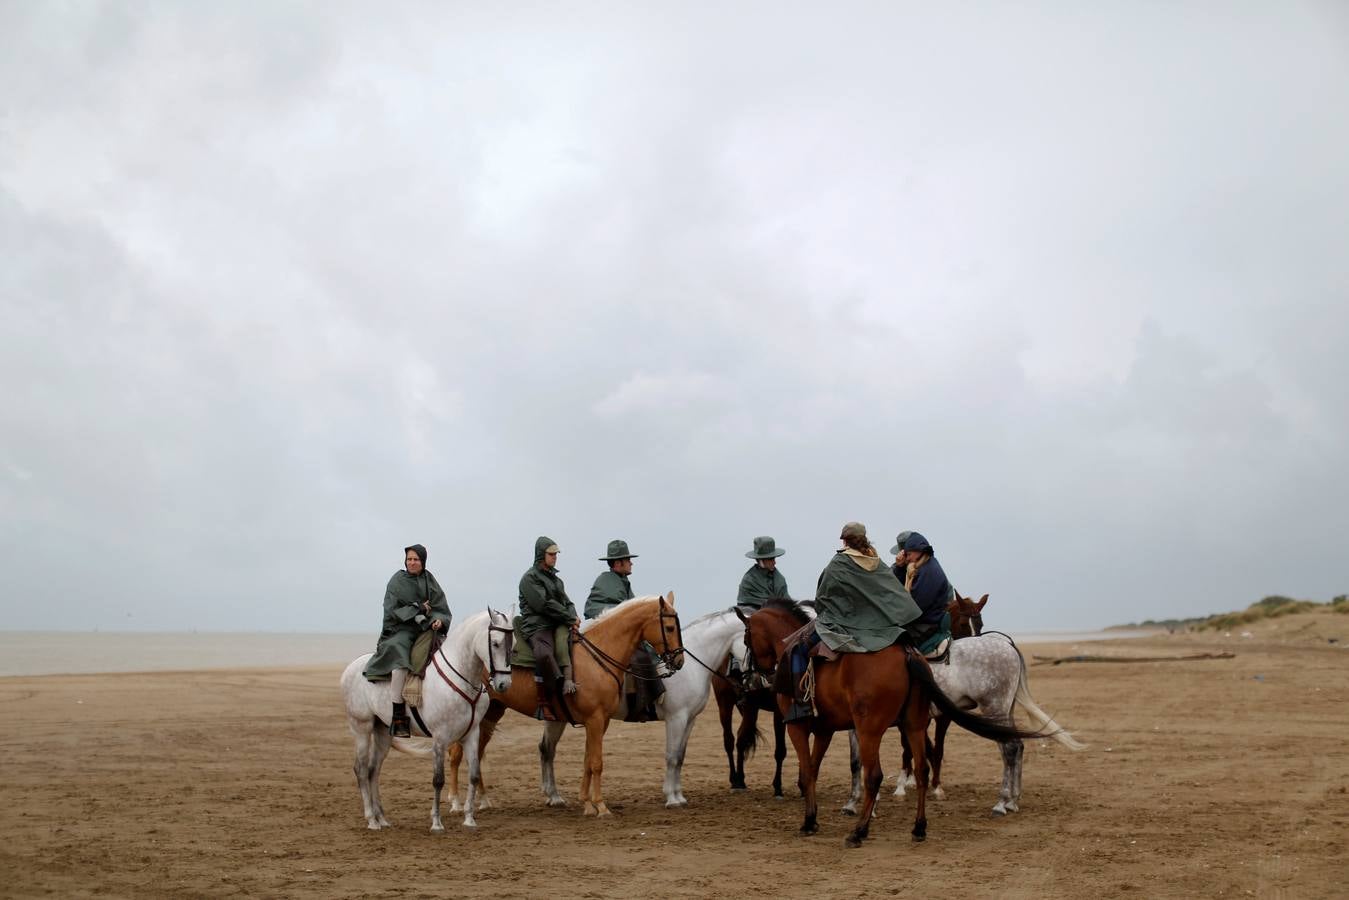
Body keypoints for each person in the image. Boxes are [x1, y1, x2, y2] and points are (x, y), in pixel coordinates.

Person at [363, 543, 452, 738]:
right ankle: (398, 717)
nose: (412, 562)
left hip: (425, 628)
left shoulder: (430, 580)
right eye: (409, 559)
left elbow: (440, 607)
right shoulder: (397, 581)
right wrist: (418, 608)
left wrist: (439, 620)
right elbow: (392, 610)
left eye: (416, 559)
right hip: (399, 630)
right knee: (401, 662)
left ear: (423, 561)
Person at [585, 539, 662, 721]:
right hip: (609, 637)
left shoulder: (623, 581)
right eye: (628, 560)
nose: (631, 563)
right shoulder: (606, 581)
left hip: (624, 635)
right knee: (638, 658)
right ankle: (637, 704)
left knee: (648, 651)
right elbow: (592, 609)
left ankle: (649, 699)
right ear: (618, 563)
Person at [519, 536, 580, 718]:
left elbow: (567, 603)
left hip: (558, 623)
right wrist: (569, 617)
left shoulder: (557, 581)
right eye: (551, 554)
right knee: (543, 654)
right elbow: (543, 604)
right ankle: (543, 702)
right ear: (541, 555)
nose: (555, 557)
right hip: (537, 626)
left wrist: (574, 617)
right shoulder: (529, 578)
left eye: (556, 554)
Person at [890, 530, 955, 649]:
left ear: (918, 551)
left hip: (925, 625)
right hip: (921, 621)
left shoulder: (929, 572)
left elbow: (915, 609)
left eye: (908, 554)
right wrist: (899, 568)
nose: (906, 558)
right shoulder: (920, 567)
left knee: (889, 645)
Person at [737, 536, 789, 609]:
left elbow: (787, 601)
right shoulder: (749, 580)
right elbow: (744, 604)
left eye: (774, 558)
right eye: (770, 559)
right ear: (761, 560)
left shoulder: (780, 579)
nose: (774, 562)